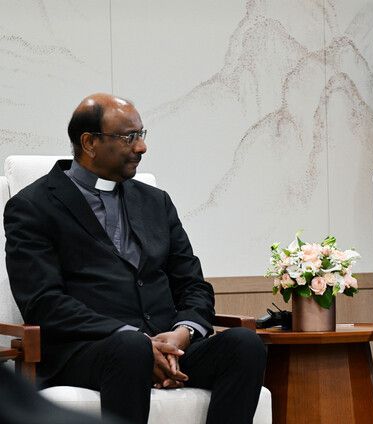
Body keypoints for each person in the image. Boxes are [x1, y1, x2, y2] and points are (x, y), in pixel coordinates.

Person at [4, 93, 266, 424]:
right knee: (131, 348)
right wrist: (135, 338)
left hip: (167, 345)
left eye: (141, 134)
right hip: (88, 351)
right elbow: (44, 303)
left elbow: (193, 285)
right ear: (89, 143)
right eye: (129, 137)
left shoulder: (156, 201)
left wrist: (182, 334)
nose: (142, 147)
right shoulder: (33, 206)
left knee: (245, 344)